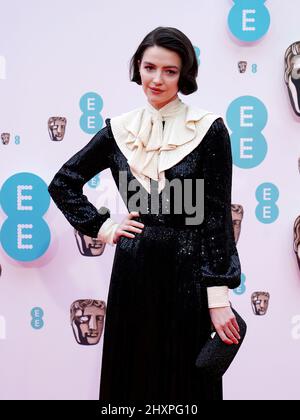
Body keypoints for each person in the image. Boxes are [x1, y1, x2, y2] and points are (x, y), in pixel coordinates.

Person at [48, 26, 242, 402]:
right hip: (134, 271)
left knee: (189, 384)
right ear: (138, 67)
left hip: (189, 277)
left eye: (170, 71)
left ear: (183, 75)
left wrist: (217, 300)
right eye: (150, 67)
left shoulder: (209, 130)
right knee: (132, 377)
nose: (157, 79)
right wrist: (104, 227)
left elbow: (216, 218)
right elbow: (63, 183)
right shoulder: (118, 130)